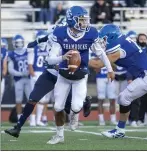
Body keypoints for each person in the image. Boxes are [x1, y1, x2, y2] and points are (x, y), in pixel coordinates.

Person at [4, 17, 91, 138]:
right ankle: (17, 128)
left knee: (69, 106)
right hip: (49, 73)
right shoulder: (55, 31)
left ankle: (85, 101)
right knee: (33, 98)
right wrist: (36, 42)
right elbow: (48, 36)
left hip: (64, 75)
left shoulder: (75, 38)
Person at [45, 6, 114, 144]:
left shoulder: (91, 33)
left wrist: (110, 69)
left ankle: (77, 112)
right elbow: (50, 59)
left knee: (76, 107)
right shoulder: (60, 33)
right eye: (81, 20)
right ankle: (59, 135)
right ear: (71, 20)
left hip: (81, 75)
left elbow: (100, 53)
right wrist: (62, 57)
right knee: (58, 107)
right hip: (63, 74)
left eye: (85, 20)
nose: (85, 23)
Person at [28, 30, 50, 126]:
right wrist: (33, 76)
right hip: (36, 74)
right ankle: (32, 120)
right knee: (34, 98)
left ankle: (38, 120)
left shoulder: (49, 49)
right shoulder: (34, 49)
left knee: (42, 99)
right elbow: (30, 65)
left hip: (45, 74)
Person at [8, 35, 31, 121]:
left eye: (20, 42)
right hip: (18, 79)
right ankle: (19, 118)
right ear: (14, 43)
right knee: (18, 99)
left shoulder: (28, 51)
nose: (19, 44)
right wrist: (21, 73)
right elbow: (10, 70)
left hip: (28, 78)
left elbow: (31, 63)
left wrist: (29, 72)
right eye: (17, 42)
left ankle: (32, 118)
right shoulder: (11, 54)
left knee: (31, 99)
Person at [92, 52, 117, 126]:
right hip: (100, 78)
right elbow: (94, 68)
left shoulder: (111, 51)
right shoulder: (95, 53)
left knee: (112, 99)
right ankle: (101, 120)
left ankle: (113, 119)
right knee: (101, 99)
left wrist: (110, 60)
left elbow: (115, 67)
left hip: (110, 78)